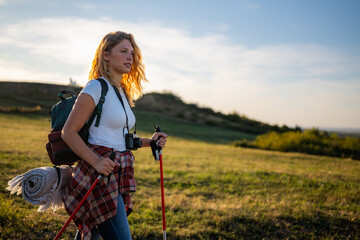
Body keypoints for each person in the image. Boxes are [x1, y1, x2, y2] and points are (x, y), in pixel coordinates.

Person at [61, 31, 168, 240]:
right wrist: (97, 161)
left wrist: (149, 142)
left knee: (92, 235)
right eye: (124, 51)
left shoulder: (122, 92)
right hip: (99, 176)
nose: (130, 57)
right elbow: (68, 132)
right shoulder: (96, 87)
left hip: (118, 172)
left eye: (132, 52)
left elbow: (121, 138)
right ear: (106, 55)